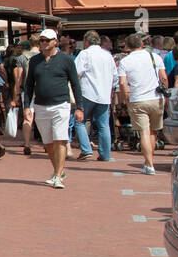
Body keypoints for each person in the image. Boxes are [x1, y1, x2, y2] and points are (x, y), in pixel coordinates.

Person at [24, 28, 85, 188]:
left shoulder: (66, 60)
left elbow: (75, 84)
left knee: (60, 139)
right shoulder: (35, 60)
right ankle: (58, 170)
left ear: (55, 42)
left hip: (61, 105)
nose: (43, 43)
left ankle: (58, 175)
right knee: (48, 143)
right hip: (41, 105)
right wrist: (26, 106)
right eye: (41, 40)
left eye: (47, 40)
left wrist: (80, 107)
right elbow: (29, 85)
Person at [118, 33, 168, 176]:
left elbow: (122, 83)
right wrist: (165, 96)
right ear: (142, 44)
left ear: (128, 46)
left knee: (144, 132)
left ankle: (149, 164)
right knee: (153, 132)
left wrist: (126, 98)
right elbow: (163, 77)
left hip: (138, 99)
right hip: (155, 98)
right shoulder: (154, 57)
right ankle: (148, 162)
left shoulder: (125, 61)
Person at [73, 30, 116, 162]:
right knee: (103, 125)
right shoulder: (108, 55)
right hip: (104, 94)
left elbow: (76, 73)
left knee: (79, 121)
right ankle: (105, 154)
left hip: (88, 92)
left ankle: (86, 149)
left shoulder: (85, 54)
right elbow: (115, 77)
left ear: (86, 41)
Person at [17, 36, 41, 155]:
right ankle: (47, 143)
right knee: (42, 117)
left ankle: (27, 143)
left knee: (28, 118)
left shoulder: (23, 57)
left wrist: (16, 92)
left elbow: (20, 77)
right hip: (41, 90)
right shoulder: (43, 56)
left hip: (27, 90)